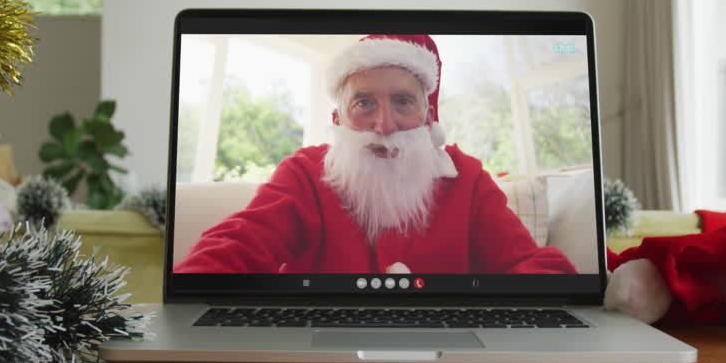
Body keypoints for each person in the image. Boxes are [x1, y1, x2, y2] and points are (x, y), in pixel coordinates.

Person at [174, 34, 577, 274]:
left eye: (402, 102)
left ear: (428, 116)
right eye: (364, 103)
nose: (384, 126)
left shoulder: (466, 178)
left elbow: (529, 265)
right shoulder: (305, 172)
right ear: (338, 117)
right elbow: (236, 247)